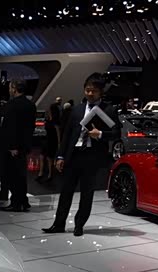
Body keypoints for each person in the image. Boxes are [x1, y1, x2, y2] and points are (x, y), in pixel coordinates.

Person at [42, 73, 121, 237]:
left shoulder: (108, 110)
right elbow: (67, 134)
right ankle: (58, 224)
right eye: (87, 90)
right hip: (74, 155)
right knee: (65, 191)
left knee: (86, 193)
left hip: (92, 156)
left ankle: (79, 225)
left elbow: (116, 133)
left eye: (94, 91)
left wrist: (100, 134)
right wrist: (60, 156)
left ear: (101, 92)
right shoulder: (77, 109)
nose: (90, 94)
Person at [0, 80, 36, 212]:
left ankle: (17, 203)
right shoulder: (30, 105)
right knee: (21, 174)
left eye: (10, 88)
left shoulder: (12, 105)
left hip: (12, 147)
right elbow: (29, 127)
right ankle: (23, 201)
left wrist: (12, 146)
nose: (9, 90)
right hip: (24, 145)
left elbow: (10, 127)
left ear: (14, 89)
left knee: (12, 174)